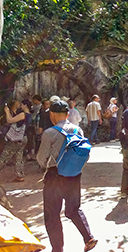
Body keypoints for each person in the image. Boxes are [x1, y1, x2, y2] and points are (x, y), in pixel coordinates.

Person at [36, 100, 97, 252]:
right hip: (74, 175)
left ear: (52, 115)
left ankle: (58, 249)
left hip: (54, 177)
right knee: (73, 209)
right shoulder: (78, 131)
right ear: (68, 114)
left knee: (52, 215)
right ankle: (88, 238)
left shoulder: (49, 133)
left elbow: (41, 159)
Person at [0, 100, 30, 182]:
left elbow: (10, 120)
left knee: (4, 156)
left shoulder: (23, 114)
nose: (20, 105)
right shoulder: (28, 115)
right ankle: (20, 175)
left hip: (16, 139)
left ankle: (19, 175)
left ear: (25, 105)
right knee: (19, 157)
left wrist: (6, 112)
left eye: (21, 104)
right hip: (23, 137)